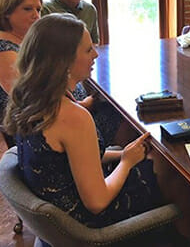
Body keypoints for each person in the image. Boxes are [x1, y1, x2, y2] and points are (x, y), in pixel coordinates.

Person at [3, 13, 161, 228]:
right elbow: (97, 202)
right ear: (63, 61)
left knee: (152, 162)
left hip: (59, 210)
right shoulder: (71, 115)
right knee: (170, 176)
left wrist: (123, 153)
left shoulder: (31, 99)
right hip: (82, 223)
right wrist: (126, 162)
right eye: (88, 50)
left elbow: (68, 160)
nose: (95, 54)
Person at [0, 0, 42, 121]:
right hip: (31, 124)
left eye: (38, 9)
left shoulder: (26, 41)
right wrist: (82, 105)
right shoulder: (3, 49)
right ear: (7, 12)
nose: (36, 15)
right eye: (27, 9)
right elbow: (27, 97)